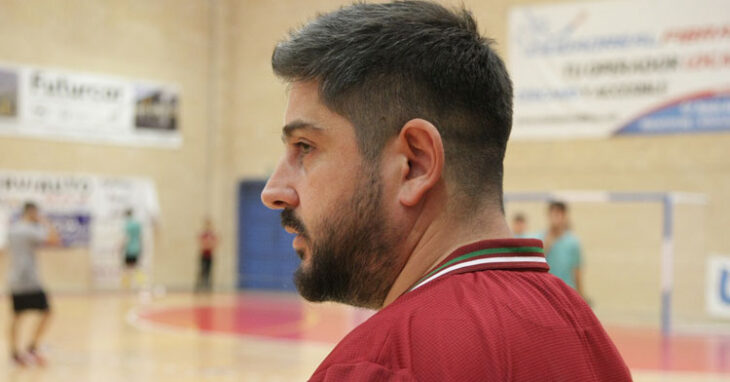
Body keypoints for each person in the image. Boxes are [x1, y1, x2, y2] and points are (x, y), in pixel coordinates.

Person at [261, 1, 630, 380]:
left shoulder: (376, 366)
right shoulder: (584, 332)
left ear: (415, 164)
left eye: (305, 147)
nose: (273, 190)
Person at [6, 202, 60, 366]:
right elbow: (54, 239)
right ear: (31, 212)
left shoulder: (13, 229)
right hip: (29, 280)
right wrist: (45, 222)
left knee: (17, 316)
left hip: (14, 280)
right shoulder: (29, 230)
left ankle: (15, 352)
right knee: (47, 312)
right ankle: (32, 347)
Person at [540, 201, 584, 297]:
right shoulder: (539, 239)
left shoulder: (573, 242)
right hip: (546, 292)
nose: (556, 218)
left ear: (565, 216)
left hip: (566, 293)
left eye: (559, 214)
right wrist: (549, 239)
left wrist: (582, 296)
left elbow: (577, 272)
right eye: (554, 214)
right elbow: (537, 264)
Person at [122, 208, 143, 288]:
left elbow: (126, 238)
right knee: (136, 266)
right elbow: (140, 237)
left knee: (127, 267)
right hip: (137, 247)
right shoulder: (137, 224)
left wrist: (120, 246)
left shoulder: (128, 225)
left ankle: (128, 285)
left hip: (129, 248)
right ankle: (140, 284)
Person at [195, 217, 217, 292]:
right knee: (202, 271)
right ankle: (199, 288)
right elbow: (201, 243)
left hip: (210, 255)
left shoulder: (212, 234)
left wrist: (209, 244)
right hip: (203, 255)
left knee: (209, 272)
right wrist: (207, 244)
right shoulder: (203, 234)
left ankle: (208, 289)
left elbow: (215, 243)